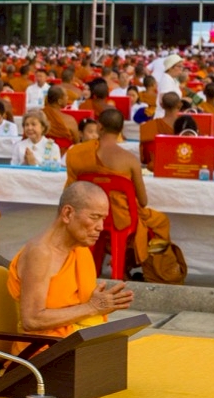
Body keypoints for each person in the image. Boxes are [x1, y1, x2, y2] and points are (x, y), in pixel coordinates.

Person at [6, 183, 137, 344]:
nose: (101, 227)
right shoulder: (40, 253)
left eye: (103, 219)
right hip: (45, 350)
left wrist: (97, 303)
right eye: (94, 217)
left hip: (77, 343)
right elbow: (32, 319)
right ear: (68, 213)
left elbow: (80, 305)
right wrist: (92, 307)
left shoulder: (80, 251)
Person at [65, 106, 180, 281]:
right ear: (121, 130)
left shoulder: (78, 154)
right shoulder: (130, 160)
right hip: (121, 219)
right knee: (160, 221)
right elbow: (143, 201)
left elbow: (70, 190)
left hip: (88, 214)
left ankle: (112, 265)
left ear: (99, 127)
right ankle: (155, 271)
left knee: (109, 228)